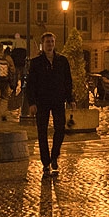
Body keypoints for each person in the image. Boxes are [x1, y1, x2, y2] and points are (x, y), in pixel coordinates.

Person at [26, 32, 76, 176]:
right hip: (42, 101)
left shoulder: (62, 61)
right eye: (48, 42)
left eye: (52, 42)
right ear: (43, 44)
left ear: (55, 43)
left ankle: (54, 156)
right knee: (42, 132)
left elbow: (68, 81)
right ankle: (45, 162)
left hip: (58, 100)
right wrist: (32, 103)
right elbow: (31, 84)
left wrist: (70, 99)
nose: (50, 44)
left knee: (60, 130)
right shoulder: (36, 63)